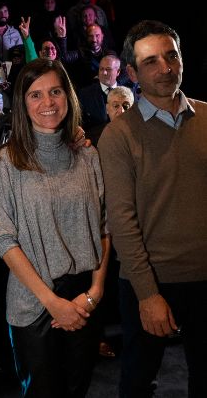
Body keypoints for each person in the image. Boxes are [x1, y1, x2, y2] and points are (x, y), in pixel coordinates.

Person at [97, 20, 207, 398]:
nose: (165, 68)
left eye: (171, 55)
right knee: (138, 383)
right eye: (151, 61)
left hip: (205, 280)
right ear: (131, 73)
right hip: (149, 283)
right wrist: (148, 294)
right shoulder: (118, 135)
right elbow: (122, 223)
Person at [0, 58, 110, 397]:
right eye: (35, 95)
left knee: (77, 388)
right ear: (22, 104)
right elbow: (1, 237)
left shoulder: (87, 155)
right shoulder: (5, 161)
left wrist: (96, 291)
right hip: (33, 300)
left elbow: (104, 226)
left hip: (85, 296)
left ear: (67, 96)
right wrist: (51, 301)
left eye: (55, 91)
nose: (48, 103)